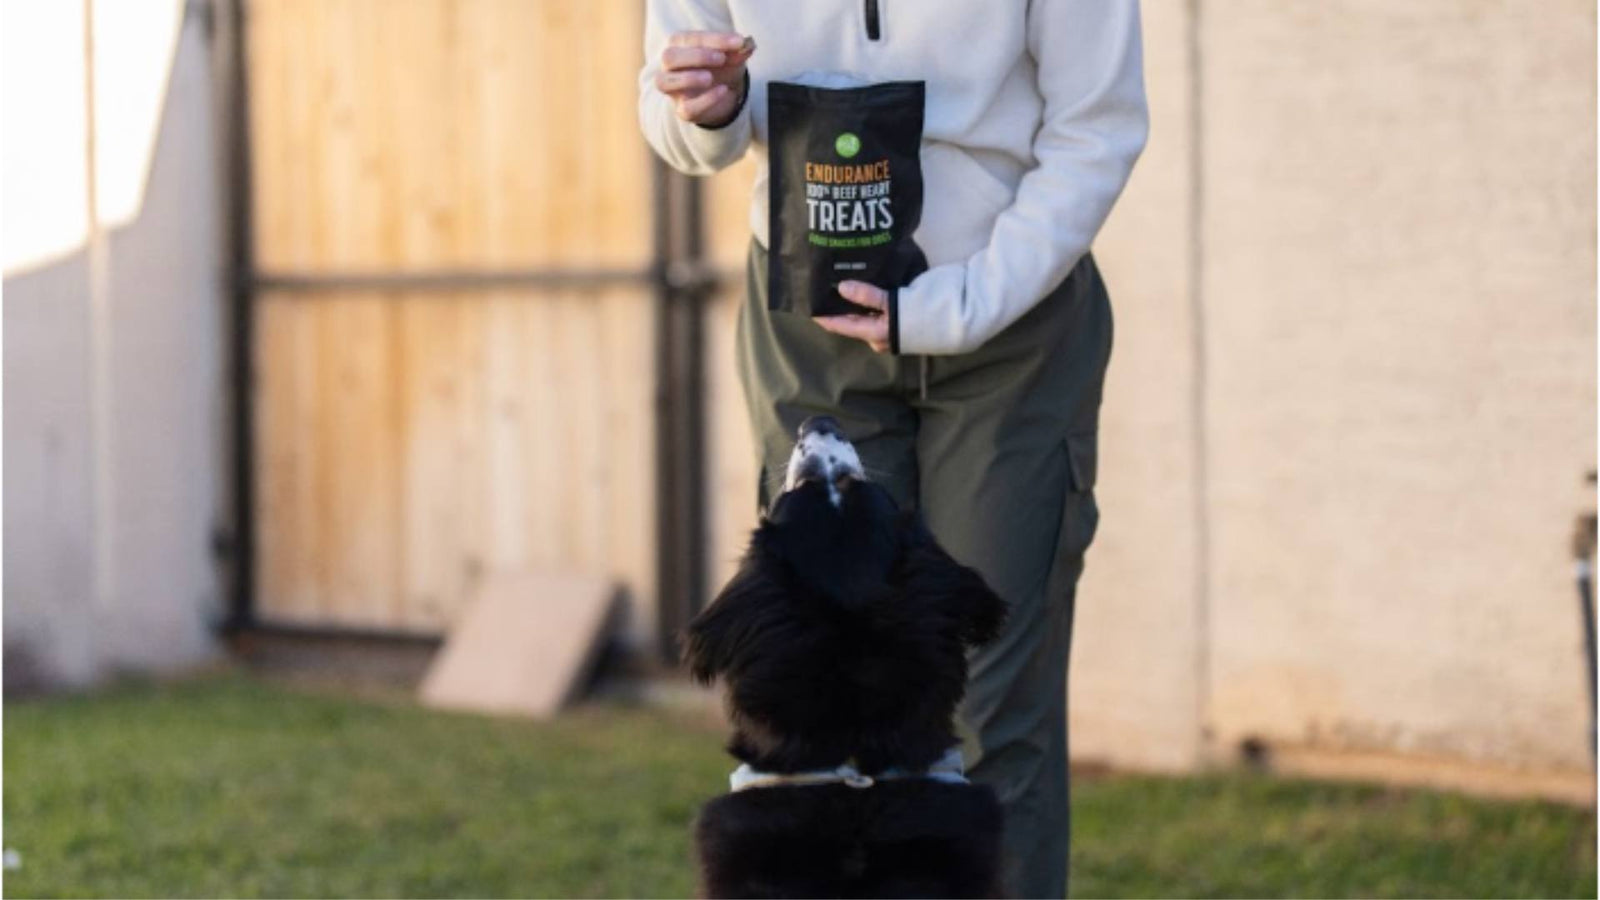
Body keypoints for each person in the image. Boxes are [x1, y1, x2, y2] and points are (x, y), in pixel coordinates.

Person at [639, 3, 1147, 895]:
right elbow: (679, 116)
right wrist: (706, 107)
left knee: (993, 700)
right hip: (807, 312)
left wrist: (958, 306)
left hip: (1011, 321)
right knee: (814, 689)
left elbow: (1095, 130)